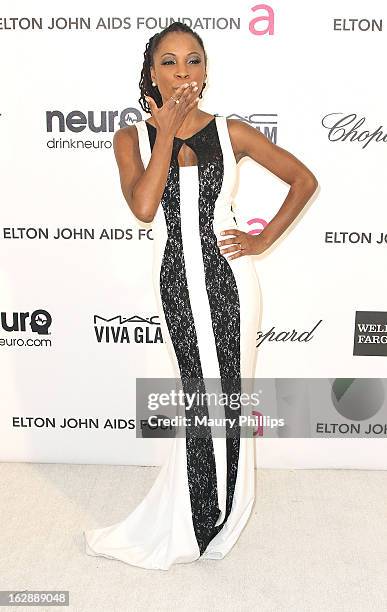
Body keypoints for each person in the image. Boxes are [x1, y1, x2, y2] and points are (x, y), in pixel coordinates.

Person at [84, 22, 318, 571]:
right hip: (176, 281)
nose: (182, 72)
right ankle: (195, 515)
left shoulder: (231, 131)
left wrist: (260, 239)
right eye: (169, 62)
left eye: (193, 60)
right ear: (151, 73)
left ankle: (223, 516)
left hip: (231, 280)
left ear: (206, 71)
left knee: (229, 397)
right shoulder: (131, 138)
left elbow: (303, 180)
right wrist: (163, 131)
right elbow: (144, 208)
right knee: (198, 396)